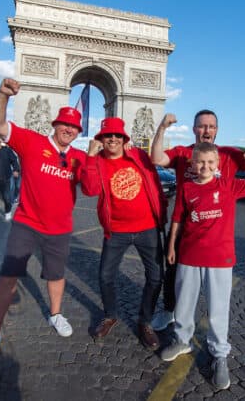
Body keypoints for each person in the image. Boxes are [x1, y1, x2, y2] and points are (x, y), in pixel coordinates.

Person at [0, 78, 88, 370]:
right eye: (64, 125)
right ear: (55, 125)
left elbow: (97, 185)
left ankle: (56, 314)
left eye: (74, 127)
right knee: (8, 277)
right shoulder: (31, 141)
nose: (68, 130)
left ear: (79, 131)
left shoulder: (80, 157)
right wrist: (3, 95)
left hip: (59, 228)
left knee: (56, 276)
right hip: (27, 223)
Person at [160, 143, 245, 390]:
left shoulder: (228, 185)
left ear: (217, 164)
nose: (205, 167)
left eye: (210, 162)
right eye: (200, 162)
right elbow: (177, 219)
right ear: (192, 164)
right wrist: (172, 246)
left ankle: (219, 354)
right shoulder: (186, 187)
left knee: (218, 309)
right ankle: (181, 339)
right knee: (183, 303)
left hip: (220, 258)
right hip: (189, 255)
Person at [151, 110, 245, 331]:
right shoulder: (181, 152)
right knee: (172, 273)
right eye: (202, 126)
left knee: (211, 289)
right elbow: (156, 159)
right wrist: (163, 127)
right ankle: (169, 311)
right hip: (183, 225)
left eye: (211, 126)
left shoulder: (228, 154)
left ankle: (207, 328)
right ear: (194, 129)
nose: (207, 130)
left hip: (214, 231)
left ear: (217, 130)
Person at [79, 118, 167, 349]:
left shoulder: (138, 155)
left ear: (124, 138)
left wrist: (162, 216)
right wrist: (89, 155)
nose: (113, 140)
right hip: (116, 230)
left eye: (118, 136)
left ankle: (145, 321)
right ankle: (110, 315)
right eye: (108, 136)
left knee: (156, 277)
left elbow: (155, 181)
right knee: (105, 276)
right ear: (101, 139)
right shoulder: (96, 162)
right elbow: (88, 189)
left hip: (147, 228)